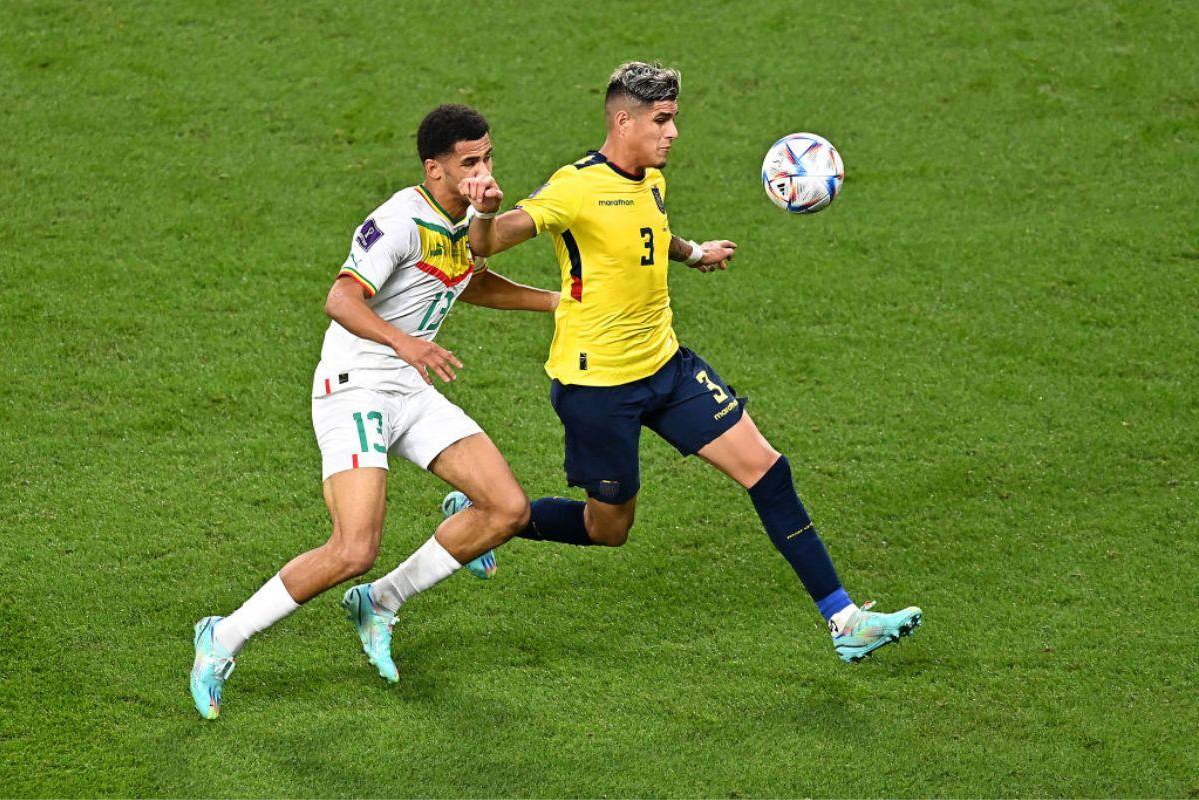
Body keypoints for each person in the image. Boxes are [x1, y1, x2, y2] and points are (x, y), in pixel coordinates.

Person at [461, 62, 923, 664]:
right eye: (662, 120)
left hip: (668, 366)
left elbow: (649, 229)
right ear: (623, 120)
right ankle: (491, 519)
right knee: (610, 529)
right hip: (597, 386)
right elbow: (487, 245)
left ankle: (845, 619)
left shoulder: (651, 176)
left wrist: (694, 252)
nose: (673, 132)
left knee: (767, 469)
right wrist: (486, 209)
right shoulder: (573, 187)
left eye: (674, 118)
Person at [190, 104, 560, 719]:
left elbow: (471, 279)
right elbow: (341, 297)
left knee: (507, 508)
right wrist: (405, 342)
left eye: (488, 157)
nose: (484, 172)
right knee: (352, 548)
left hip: (409, 390)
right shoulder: (398, 221)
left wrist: (558, 303)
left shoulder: (465, 219)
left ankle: (381, 601)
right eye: (470, 163)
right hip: (356, 387)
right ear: (433, 169)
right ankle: (220, 638)